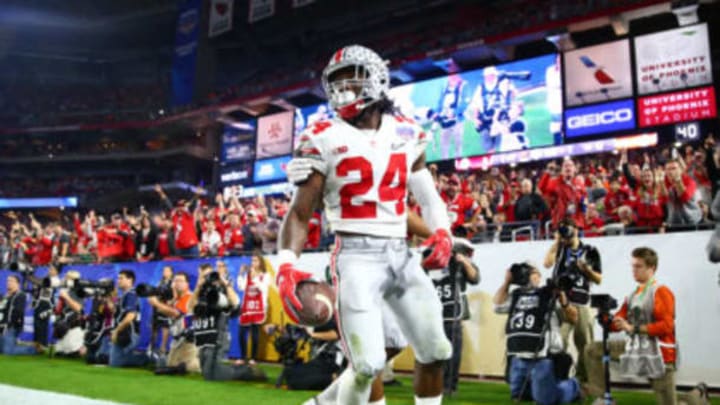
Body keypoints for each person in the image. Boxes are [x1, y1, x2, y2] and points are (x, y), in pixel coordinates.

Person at [278, 44, 453, 405]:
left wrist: (443, 234)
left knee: (436, 350)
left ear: (376, 78)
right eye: (336, 83)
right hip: (355, 257)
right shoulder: (320, 136)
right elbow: (299, 212)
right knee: (367, 364)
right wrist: (285, 266)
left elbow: (428, 196)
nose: (343, 90)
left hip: (401, 254)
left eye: (351, 80)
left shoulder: (408, 133)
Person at [584, 247, 709, 405]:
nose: (634, 270)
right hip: (635, 348)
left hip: (659, 354)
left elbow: (667, 326)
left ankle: (697, 395)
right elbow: (617, 324)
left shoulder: (661, 292)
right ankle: (602, 398)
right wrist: (605, 318)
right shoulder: (632, 296)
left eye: (638, 266)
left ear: (652, 268)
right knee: (593, 349)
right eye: (633, 266)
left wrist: (633, 328)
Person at [493, 263, 580, 404]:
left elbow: (573, 318)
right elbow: (497, 306)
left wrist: (563, 297)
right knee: (519, 396)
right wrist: (507, 282)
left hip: (542, 357)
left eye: (531, 272)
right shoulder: (516, 295)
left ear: (539, 277)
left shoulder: (548, 294)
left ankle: (573, 387)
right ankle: (542, 386)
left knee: (544, 400)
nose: (527, 275)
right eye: (525, 272)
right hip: (519, 356)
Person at [543, 217, 601, 383]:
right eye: (561, 229)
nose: (564, 232)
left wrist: (587, 270)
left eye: (566, 228)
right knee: (558, 341)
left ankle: (583, 379)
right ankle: (558, 376)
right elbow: (547, 264)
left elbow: (598, 279)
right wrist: (556, 242)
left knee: (585, 344)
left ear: (576, 229)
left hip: (582, 301)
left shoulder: (590, 250)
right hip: (562, 301)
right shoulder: (560, 249)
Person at [188, 263, 266, 382]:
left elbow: (236, 303)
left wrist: (226, 284)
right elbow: (189, 309)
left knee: (210, 375)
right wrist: (198, 288)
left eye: (210, 276)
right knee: (206, 373)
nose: (208, 279)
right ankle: (238, 369)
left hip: (218, 339)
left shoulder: (221, 294)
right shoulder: (201, 294)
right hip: (203, 339)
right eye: (204, 276)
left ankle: (246, 372)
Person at [427, 238, 479, 395]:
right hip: (431, 316)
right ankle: (429, 384)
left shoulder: (460, 264)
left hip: (452, 315)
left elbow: (475, 278)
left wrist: (464, 262)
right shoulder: (431, 262)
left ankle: (449, 386)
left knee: (453, 355)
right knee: (430, 355)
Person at [148, 271, 199, 374]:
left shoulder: (190, 297)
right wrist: (164, 300)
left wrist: (156, 303)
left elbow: (176, 313)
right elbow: (162, 311)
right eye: (175, 281)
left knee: (190, 367)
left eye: (181, 281)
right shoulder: (175, 299)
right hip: (177, 340)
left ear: (187, 284)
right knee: (170, 366)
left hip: (189, 341)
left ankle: (201, 363)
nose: (177, 283)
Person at [109, 269, 149, 367]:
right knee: (108, 358)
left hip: (128, 333)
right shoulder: (125, 295)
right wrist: (110, 298)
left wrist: (116, 331)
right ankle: (133, 355)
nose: (118, 281)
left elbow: (131, 316)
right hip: (124, 331)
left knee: (115, 363)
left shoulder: (131, 294)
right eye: (118, 278)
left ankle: (144, 357)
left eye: (121, 278)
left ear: (130, 280)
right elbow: (115, 312)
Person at [237, 252, 270, 366]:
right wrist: (241, 274)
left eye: (256, 260)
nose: (253, 263)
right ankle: (242, 356)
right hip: (247, 306)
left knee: (255, 333)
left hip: (258, 306)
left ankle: (253, 358)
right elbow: (241, 287)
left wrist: (255, 278)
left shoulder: (265, 275)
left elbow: (263, 289)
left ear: (260, 262)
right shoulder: (248, 274)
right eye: (252, 260)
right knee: (242, 332)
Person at [0, 275, 38, 355]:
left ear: (18, 284)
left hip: (11, 327)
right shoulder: (4, 296)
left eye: (11, 281)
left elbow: (18, 311)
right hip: (2, 326)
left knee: (7, 351)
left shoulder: (20, 295)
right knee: (3, 350)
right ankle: (13, 343)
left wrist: (12, 325)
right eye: (8, 281)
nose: (9, 283)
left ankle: (33, 349)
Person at [53, 271, 87, 356]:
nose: (65, 279)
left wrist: (66, 297)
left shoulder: (78, 291)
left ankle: (81, 347)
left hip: (73, 321)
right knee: (60, 352)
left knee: (72, 352)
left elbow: (78, 308)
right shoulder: (64, 289)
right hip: (63, 319)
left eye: (68, 278)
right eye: (66, 277)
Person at [149, 265, 173, 357]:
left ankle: (163, 348)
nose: (165, 272)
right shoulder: (160, 282)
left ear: (171, 273)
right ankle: (151, 347)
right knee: (154, 326)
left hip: (166, 308)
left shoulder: (173, 283)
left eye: (167, 271)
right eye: (164, 270)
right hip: (156, 308)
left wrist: (169, 303)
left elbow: (173, 296)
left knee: (165, 327)